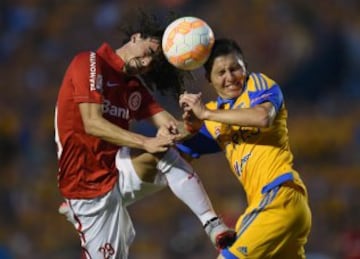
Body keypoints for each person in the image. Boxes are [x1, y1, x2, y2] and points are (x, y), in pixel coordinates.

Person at [54, 11, 235, 259]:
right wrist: (146, 141)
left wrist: (191, 124)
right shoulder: (90, 62)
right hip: (86, 187)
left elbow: (170, 128)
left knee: (167, 152)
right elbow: (92, 123)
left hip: (115, 173)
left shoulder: (132, 87)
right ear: (136, 37)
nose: (148, 63)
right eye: (149, 53)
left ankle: (212, 223)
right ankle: (76, 210)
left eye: (154, 63)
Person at [177, 38, 312, 258]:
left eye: (235, 68)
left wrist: (207, 114)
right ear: (208, 79)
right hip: (278, 209)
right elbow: (177, 157)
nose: (230, 77)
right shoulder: (212, 119)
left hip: (279, 196)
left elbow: (263, 117)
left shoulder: (258, 85)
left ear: (245, 68)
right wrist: (187, 127)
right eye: (221, 73)